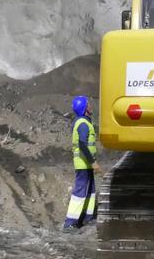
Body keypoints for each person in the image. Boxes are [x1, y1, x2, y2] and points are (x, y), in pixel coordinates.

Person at [63, 95, 99, 230]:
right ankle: (70, 223)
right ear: (84, 108)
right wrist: (93, 162)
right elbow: (83, 144)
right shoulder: (83, 124)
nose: (90, 106)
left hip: (86, 164)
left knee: (90, 191)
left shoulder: (83, 121)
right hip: (83, 163)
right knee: (80, 192)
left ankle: (87, 218)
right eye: (88, 104)